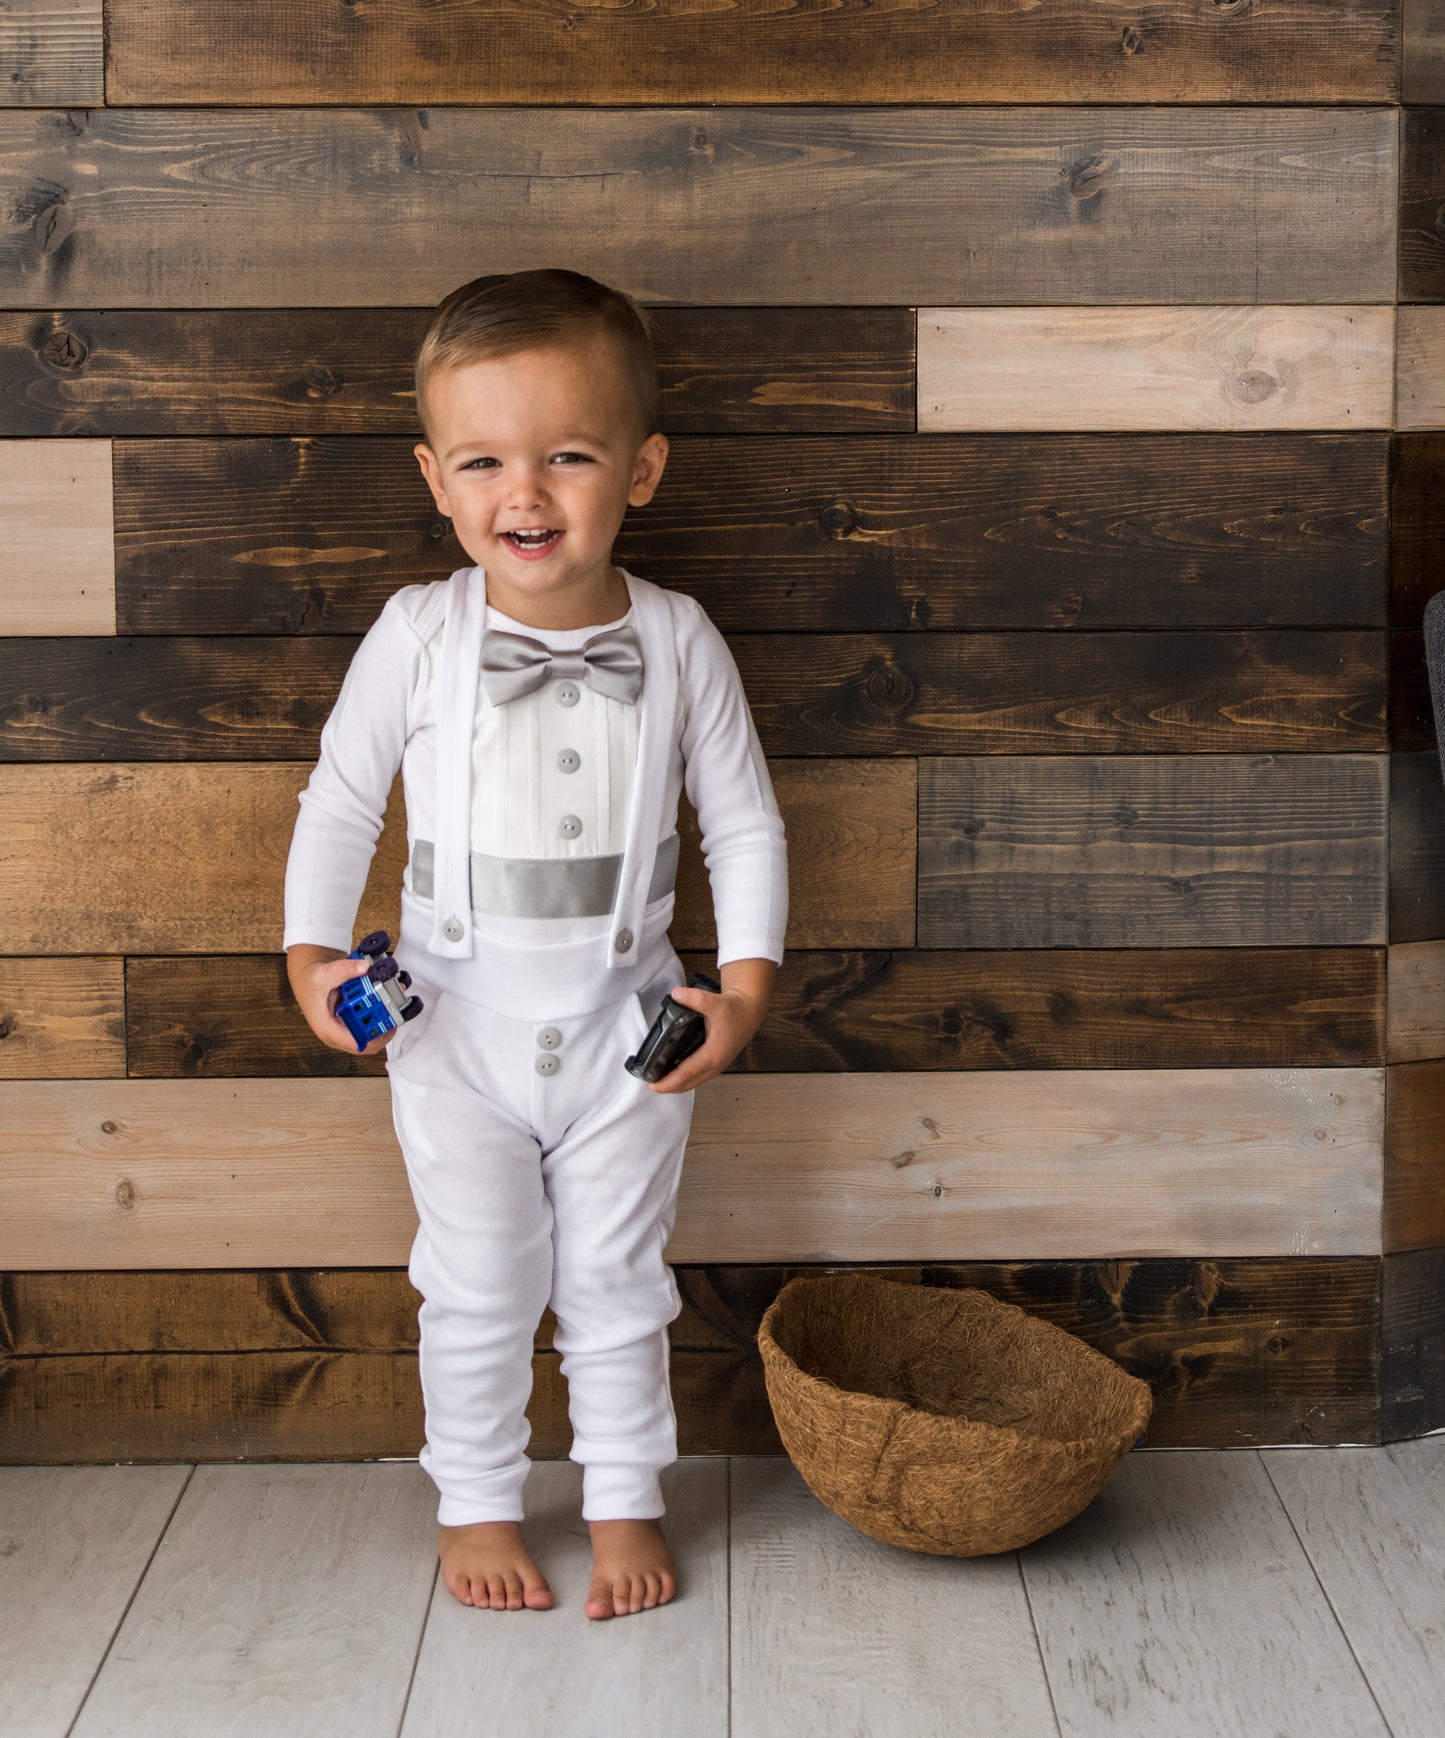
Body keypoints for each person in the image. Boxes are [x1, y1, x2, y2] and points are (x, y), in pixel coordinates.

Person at [282, 269, 788, 1620]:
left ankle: (625, 1493)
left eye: (568, 456)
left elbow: (741, 823)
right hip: (451, 1023)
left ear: (642, 468)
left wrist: (739, 992)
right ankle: (478, 1499)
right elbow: (341, 798)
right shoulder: (418, 634)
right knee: (478, 1276)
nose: (528, 492)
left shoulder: (678, 643)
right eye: (486, 460)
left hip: (630, 1028)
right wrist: (307, 957)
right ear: (435, 480)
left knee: (620, 1278)